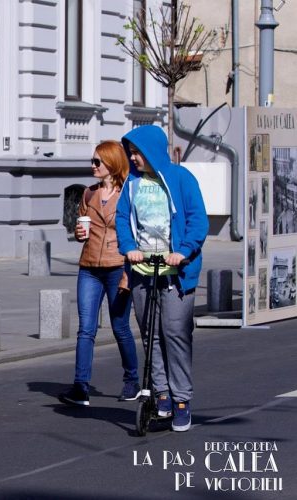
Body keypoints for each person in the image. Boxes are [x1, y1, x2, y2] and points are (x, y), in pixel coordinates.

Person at [116, 125, 208, 432]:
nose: (133, 158)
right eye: (130, 153)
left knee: (175, 334)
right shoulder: (132, 183)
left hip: (176, 273)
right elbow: (122, 219)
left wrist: (183, 251)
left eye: (137, 152)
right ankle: (162, 394)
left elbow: (197, 220)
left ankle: (182, 399)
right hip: (143, 271)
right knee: (150, 335)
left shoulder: (181, 178)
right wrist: (128, 248)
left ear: (152, 151)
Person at [59, 141, 140, 407]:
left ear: (112, 163)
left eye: (97, 162)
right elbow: (82, 232)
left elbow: (136, 236)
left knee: (120, 327)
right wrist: (79, 233)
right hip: (89, 268)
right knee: (86, 329)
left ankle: (132, 381)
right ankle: (80, 387)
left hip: (118, 266)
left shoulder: (129, 194)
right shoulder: (88, 194)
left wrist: (129, 274)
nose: (92, 166)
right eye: (92, 161)